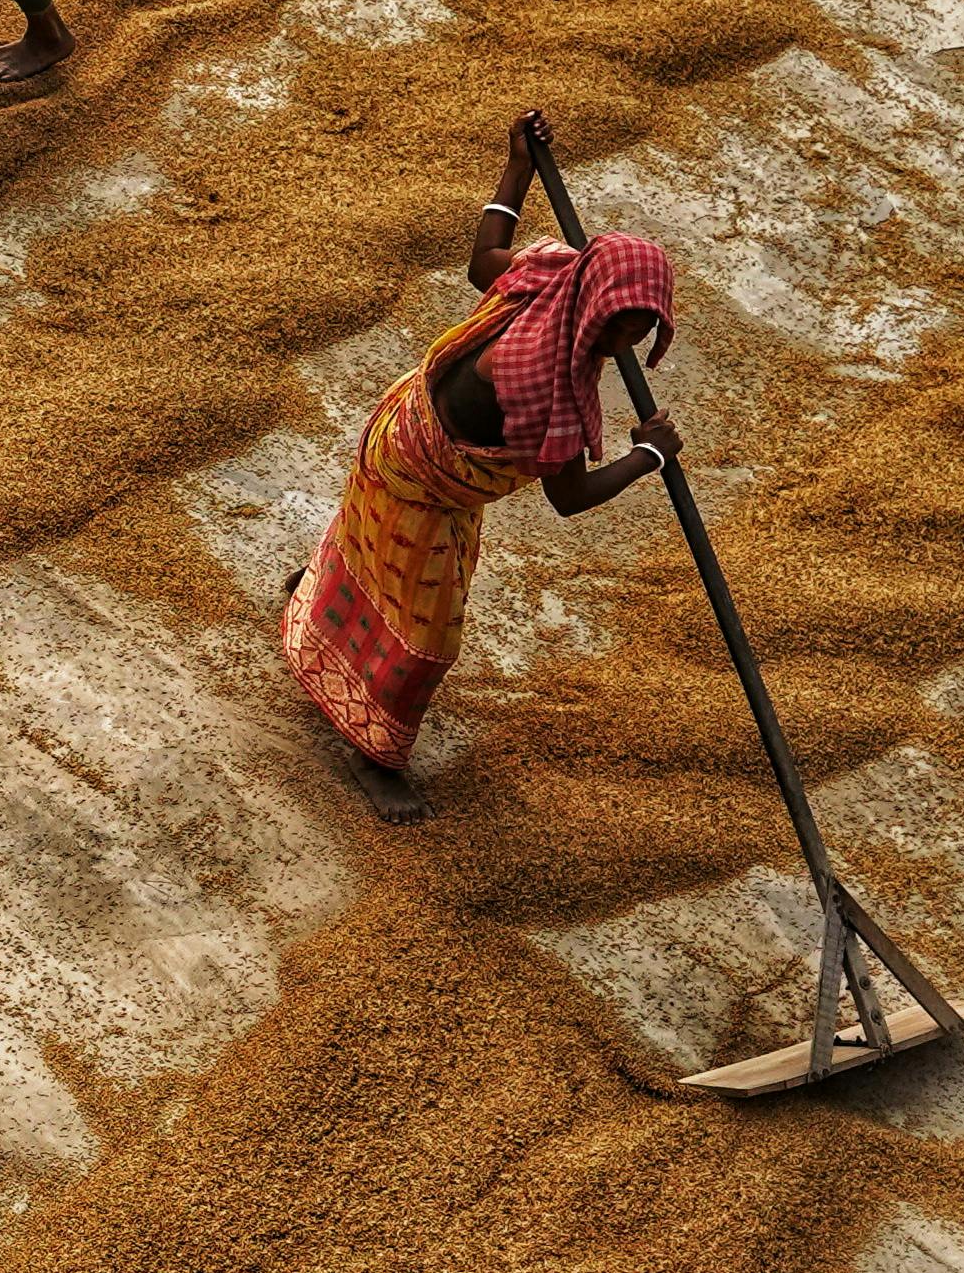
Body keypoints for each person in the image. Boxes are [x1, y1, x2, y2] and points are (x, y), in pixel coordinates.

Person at [283, 114, 684, 821]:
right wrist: (648, 455)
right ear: (596, 303)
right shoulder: (544, 381)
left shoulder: (556, 274)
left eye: (643, 326)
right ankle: (375, 753)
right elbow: (571, 495)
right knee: (427, 633)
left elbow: (484, 258)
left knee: (364, 547)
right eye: (625, 323)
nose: (632, 339)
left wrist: (518, 165)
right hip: (426, 482)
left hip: (398, 431)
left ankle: (312, 607)